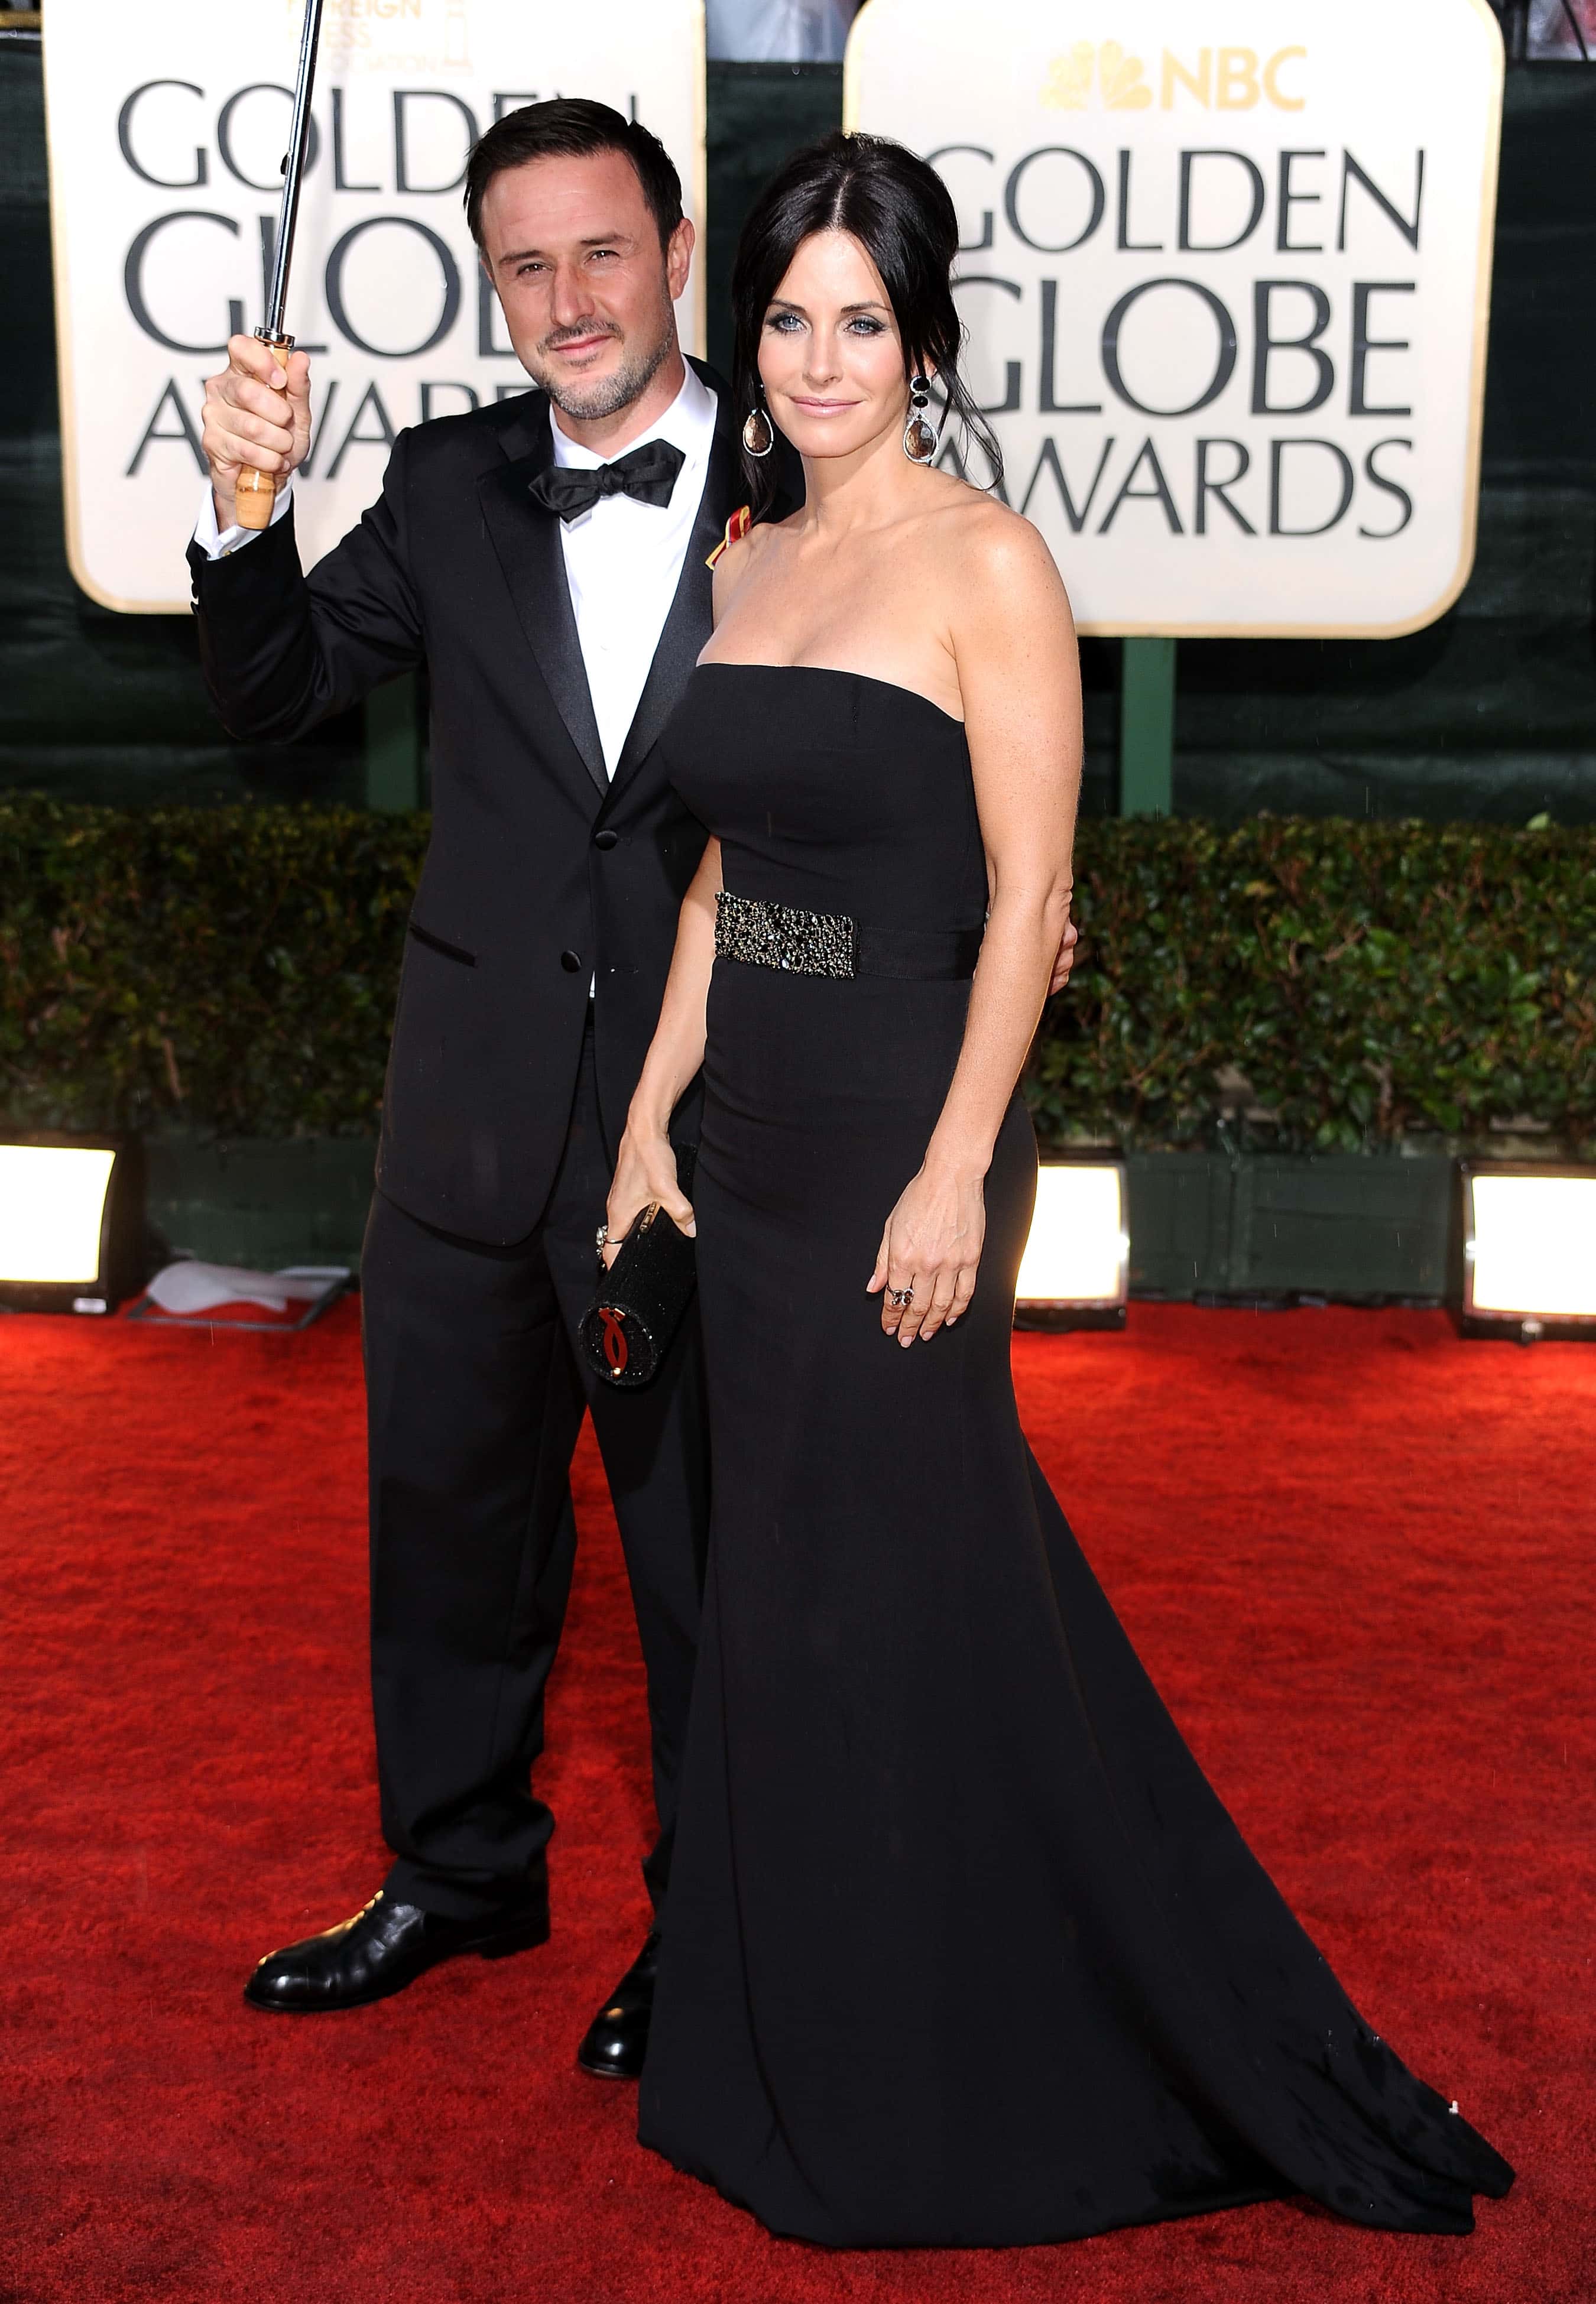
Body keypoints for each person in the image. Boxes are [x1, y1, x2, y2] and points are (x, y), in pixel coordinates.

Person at [602, 130, 1516, 2245]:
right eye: (788, 316)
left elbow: (1030, 905)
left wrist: (949, 1181)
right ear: (753, 332)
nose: (822, 357)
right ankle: (786, 2027)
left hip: (903, 1137)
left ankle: (1006, 2042)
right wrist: (652, 1108)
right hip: (750, 1124)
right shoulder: (744, 561)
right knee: (788, 1593)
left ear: (923, 342)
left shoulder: (986, 562)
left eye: (863, 320)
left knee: (911, 1573)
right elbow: (721, 879)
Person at [186, 99, 780, 2075]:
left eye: (599, 251)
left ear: (678, 253)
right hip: (462, 1105)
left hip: (698, 1122)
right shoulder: (447, 483)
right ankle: (457, 1871)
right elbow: (276, 692)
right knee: (443, 1518)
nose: (563, 298)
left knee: (699, 1548)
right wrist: (246, 507)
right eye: (521, 263)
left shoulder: (800, 475)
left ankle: (722, 1918)